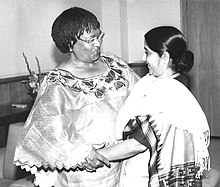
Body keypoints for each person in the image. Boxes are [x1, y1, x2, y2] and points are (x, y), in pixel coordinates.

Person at [13, 7, 139, 187]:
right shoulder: (57, 83)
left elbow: (143, 94)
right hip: (87, 173)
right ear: (70, 44)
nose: (97, 44)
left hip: (125, 160)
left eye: (99, 37)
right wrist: (82, 155)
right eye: (90, 40)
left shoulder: (114, 64)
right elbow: (46, 131)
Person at [96, 26, 210, 187]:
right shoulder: (163, 81)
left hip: (148, 172)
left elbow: (136, 144)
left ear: (164, 57)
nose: (143, 57)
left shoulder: (167, 93)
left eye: (147, 52)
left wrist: (96, 156)